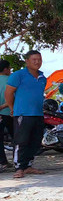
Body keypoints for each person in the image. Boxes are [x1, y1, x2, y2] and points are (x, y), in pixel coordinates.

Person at [4, 50, 46, 179]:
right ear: (27, 61)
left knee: (35, 141)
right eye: (34, 59)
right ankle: (19, 167)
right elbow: (8, 94)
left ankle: (28, 165)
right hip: (23, 113)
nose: (37, 62)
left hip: (38, 114)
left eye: (39, 59)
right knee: (21, 141)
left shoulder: (43, 77)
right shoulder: (18, 75)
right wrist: (12, 108)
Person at [0, 60, 12, 172]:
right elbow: (14, 97)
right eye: (9, 68)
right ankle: (20, 161)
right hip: (10, 113)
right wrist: (4, 106)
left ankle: (3, 162)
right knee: (17, 138)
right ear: (5, 69)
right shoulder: (11, 80)